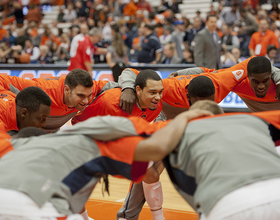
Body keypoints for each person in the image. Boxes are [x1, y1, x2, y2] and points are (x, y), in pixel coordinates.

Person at [0, 109, 212, 219]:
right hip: (39, 206)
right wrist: (189, 117)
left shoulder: (10, 148)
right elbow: (156, 147)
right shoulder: (90, 138)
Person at [72, 69, 165, 220]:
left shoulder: (156, 107)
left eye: (160, 92)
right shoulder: (109, 102)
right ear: (138, 90)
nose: (158, 97)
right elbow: (77, 121)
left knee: (151, 173)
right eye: (153, 92)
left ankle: (159, 217)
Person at [164, 108, 280, 219]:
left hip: (227, 204)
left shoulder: (185, 133)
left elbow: (186, 186)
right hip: (276, 191)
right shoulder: (255, 121)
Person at [0, 69, 117, 133]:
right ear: (67, 90)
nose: (86, 101)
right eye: (81, 96)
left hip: (49, 133)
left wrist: (128, 88)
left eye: (89, 95)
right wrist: (15, 99)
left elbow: (116, 85)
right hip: (18, 129)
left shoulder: (88, 88)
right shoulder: (43, 89)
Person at [173, 56, 280, 112]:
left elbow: (274, 71)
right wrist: (179, 73)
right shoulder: (237, 82)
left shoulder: (276, 81)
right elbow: (209, 73)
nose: (261, 86)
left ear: (270, 76)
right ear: (248, 77)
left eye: (265, 81)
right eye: (255, 82)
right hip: (268, 123)